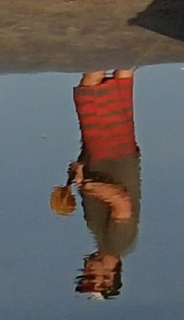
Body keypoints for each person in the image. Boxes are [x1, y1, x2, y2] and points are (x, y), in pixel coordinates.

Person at [50, 69, 141, 298]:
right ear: (110, 275)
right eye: (92, 278)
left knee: (120, 87)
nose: (86, 272)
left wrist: (82, 165)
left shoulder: (104, 239)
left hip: (106, 154)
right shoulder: (118, 243)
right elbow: (121, 202)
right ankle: (105, 43)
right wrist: (87, 184)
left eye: (85, 277)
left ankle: (124, 42)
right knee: (89, 91)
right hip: (113, 153)